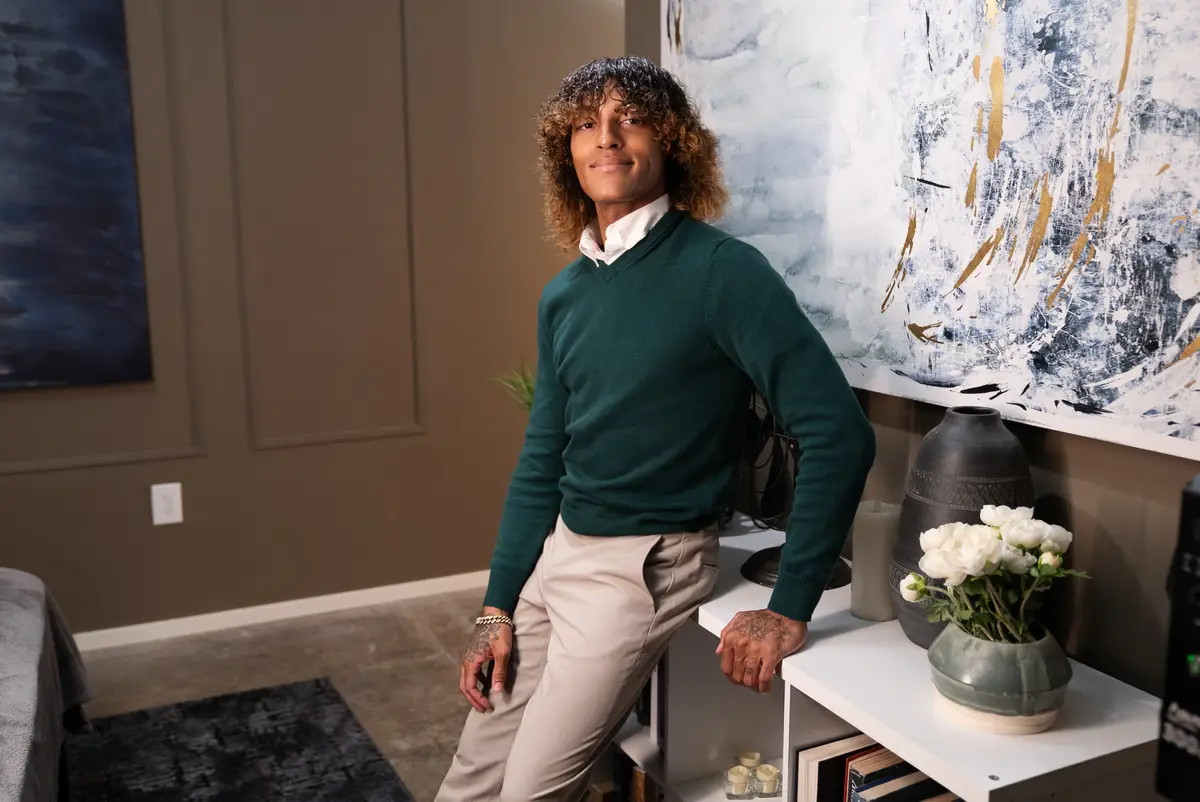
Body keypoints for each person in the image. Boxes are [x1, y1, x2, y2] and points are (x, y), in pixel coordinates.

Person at [434, 56, 875, 802]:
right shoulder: (564, 295)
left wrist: (788, 607)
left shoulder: (722, 272)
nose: (606, 137)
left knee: (528, 793)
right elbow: (543, 457)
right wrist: (496, 606)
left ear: (672, 141)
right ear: (565, 151)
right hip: (558, 558)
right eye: (585, 123)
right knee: (468, 781)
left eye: (629, 118)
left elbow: (840, 432)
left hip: (643, 566)